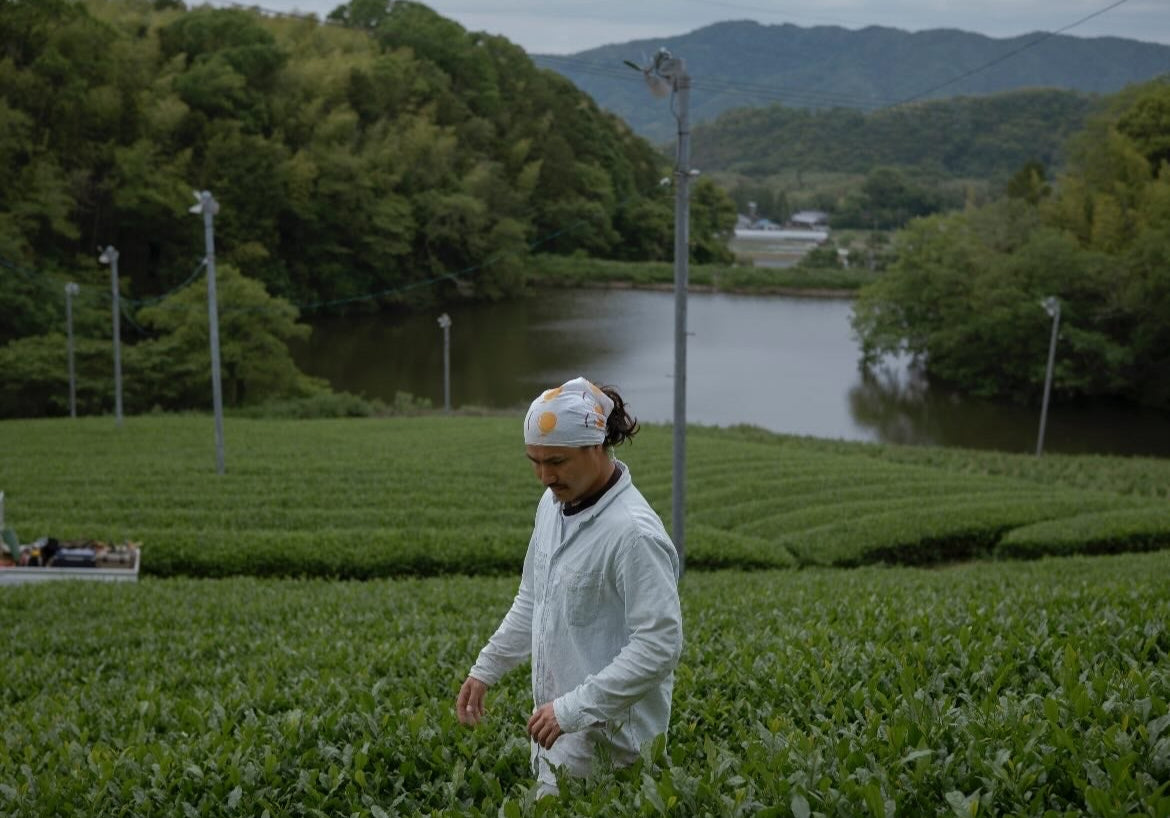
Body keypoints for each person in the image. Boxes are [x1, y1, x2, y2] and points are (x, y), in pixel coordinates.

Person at [456, 376, 684, 797]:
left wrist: (571, 710)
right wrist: (486, 669)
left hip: (613, 753)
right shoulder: (554, 505)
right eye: (535, 461)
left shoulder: (633, 534)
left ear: (596, 446)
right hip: (556, 739)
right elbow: (532, 598)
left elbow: (660, 644)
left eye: (556, 462)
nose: (544, 476)